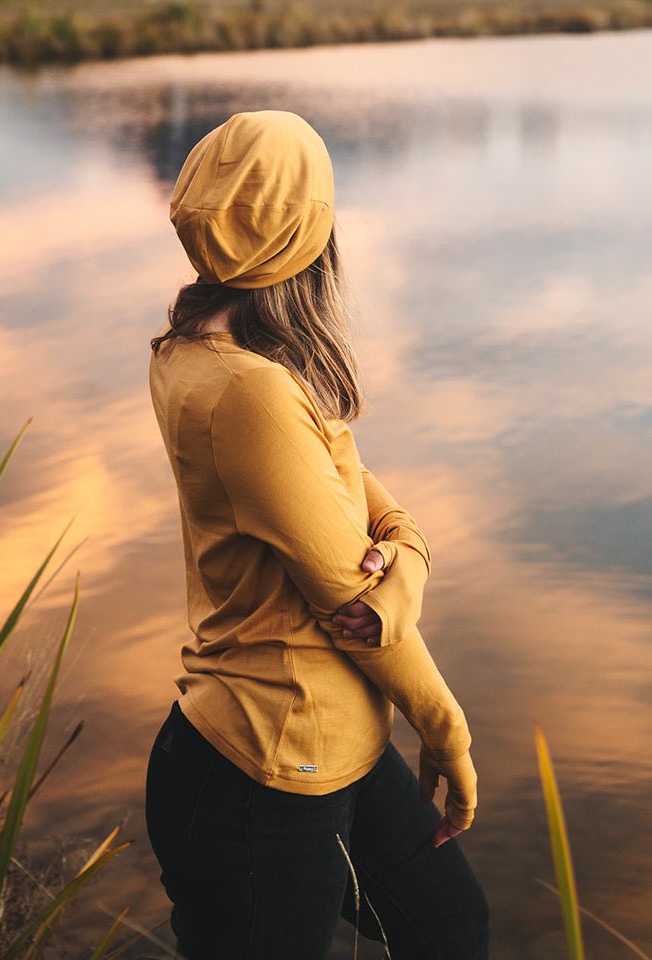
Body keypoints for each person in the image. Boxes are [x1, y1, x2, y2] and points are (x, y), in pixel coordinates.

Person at [145, 109, 487, 960]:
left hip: (329, 752)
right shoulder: (252, 394)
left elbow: (365, 511)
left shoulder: (202, 352)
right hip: (262, 767)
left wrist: (403, 557)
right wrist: (445, 729)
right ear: (307, 232)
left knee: (449, 927)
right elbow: (353, 604)